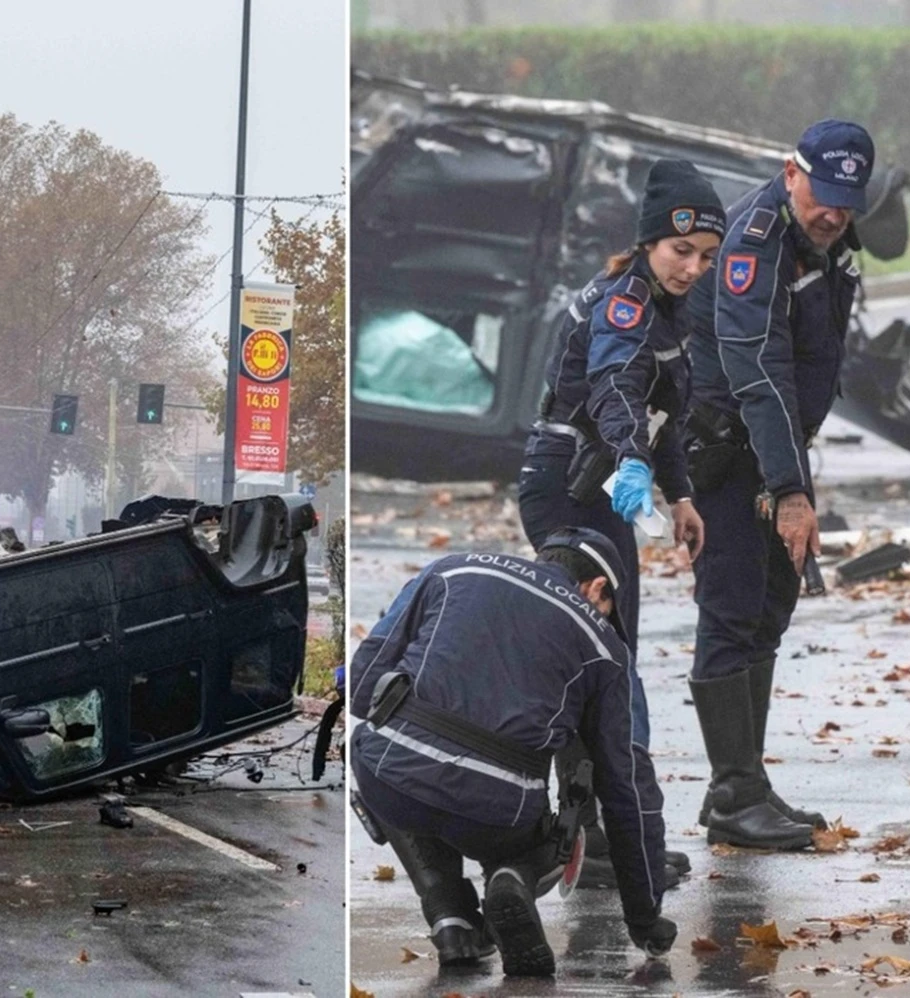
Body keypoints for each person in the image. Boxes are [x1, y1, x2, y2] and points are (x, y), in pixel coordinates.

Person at [517, 158, 726, 884]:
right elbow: (616, 386)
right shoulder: (626, 303)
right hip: (571, 488)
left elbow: (664, 411)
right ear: (648, 242)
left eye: (707, 256)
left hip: (602, 488)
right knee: (604, 666)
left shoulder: (665, 304)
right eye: (681, 251)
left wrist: (681, 493)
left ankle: (600, 836)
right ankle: (609, 841)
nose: (693, 268)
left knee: (608, 662)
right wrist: (632, 458)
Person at [350, 527, 677, 977]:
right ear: (598, 587)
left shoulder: (451, 570)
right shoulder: (604, 646)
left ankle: (451, 918)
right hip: (496, 815)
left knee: (386, 752)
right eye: (608, 606)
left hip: (390, 780)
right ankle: (515, 876)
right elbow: (623, 788)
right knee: (565, 817)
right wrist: (644, 917)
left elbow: (365, 678)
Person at [683, 119, 875, 850]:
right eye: (822, 196)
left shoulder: (824, 241)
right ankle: (733, 795)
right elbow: (759, 369)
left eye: (847, 203)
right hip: (728, 452)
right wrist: (790, 491)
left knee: (770, 605)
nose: (833, 214)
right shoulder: (754, 244)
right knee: (731, 610)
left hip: (774, 449)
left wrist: (791, 473)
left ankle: (745, 785)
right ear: (790, 173)